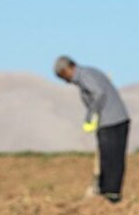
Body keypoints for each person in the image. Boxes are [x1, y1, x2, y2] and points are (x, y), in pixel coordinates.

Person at [55, 56, 131, 203]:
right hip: (112, 120)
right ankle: (105, 192)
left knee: (111, 159)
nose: (64, 81)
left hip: (112, 121)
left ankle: (110, 194)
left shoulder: (84, 75)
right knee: (108, 157)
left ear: (67, 69)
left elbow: (99, 93)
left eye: (62, 76)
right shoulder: (87, 73)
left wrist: (91, 115)